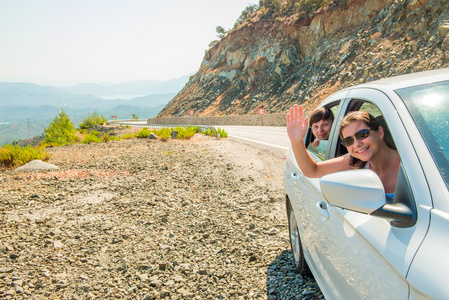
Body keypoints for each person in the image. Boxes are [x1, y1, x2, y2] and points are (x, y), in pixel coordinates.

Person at [286, 104, 400, 197]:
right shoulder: (355, 161)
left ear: (380, 132)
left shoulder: (410, 161)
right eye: (348, 141)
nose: (357, 144)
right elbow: (313, 170)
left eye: (362, 134)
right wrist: (296, 141)